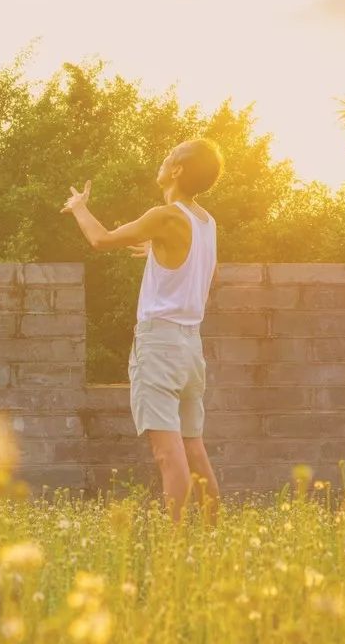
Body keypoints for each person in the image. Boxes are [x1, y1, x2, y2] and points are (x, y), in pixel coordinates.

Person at [62, 139, 223, 523]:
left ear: (179, 170)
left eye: (170, 156)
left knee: (169, 455)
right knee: (193, 447)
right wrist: (159, 252)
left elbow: (100, 239)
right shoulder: (205, 222)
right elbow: (200, 273)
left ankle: (176, 546)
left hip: (160, 344)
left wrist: (79, 208)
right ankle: (214, 535)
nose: (164, 159)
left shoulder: (165, 216)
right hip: (190, 346)